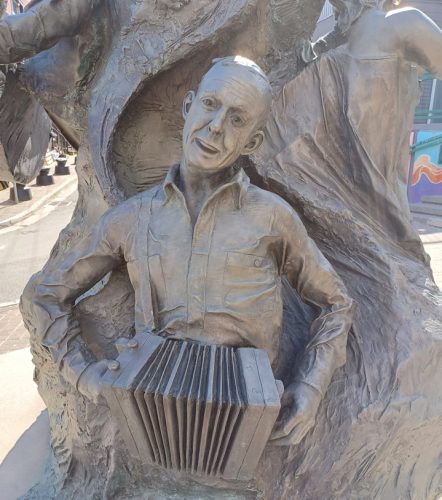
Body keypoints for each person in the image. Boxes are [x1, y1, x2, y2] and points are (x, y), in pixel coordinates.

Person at [27, 56, 354, 447]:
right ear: (188, 107)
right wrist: (82, 373)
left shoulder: (273, 218)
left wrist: (311, 385)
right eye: (211, 104)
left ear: (251, 141)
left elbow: (336, 303)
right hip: (154, 421)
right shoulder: (131, 219)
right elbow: (45, 294)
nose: (215, 127)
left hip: (248, 427)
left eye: (237, 119)